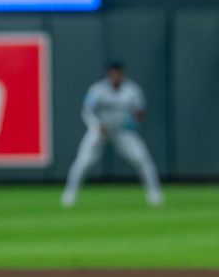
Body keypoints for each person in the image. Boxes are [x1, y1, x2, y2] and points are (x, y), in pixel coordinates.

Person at [62, 61, 163, 207]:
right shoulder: (97, 90)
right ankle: (70, 194)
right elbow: (87, 111)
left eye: (119, 73)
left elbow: (139, 113)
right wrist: (96, 125)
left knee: (142, 158)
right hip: (100, 129)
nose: (116, 76)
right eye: (113, 73)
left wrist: (136, 118)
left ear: (123, 74)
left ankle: (154, 194)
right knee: (83, 161)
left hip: (122, 131)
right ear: (108, 74)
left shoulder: (132, 90)